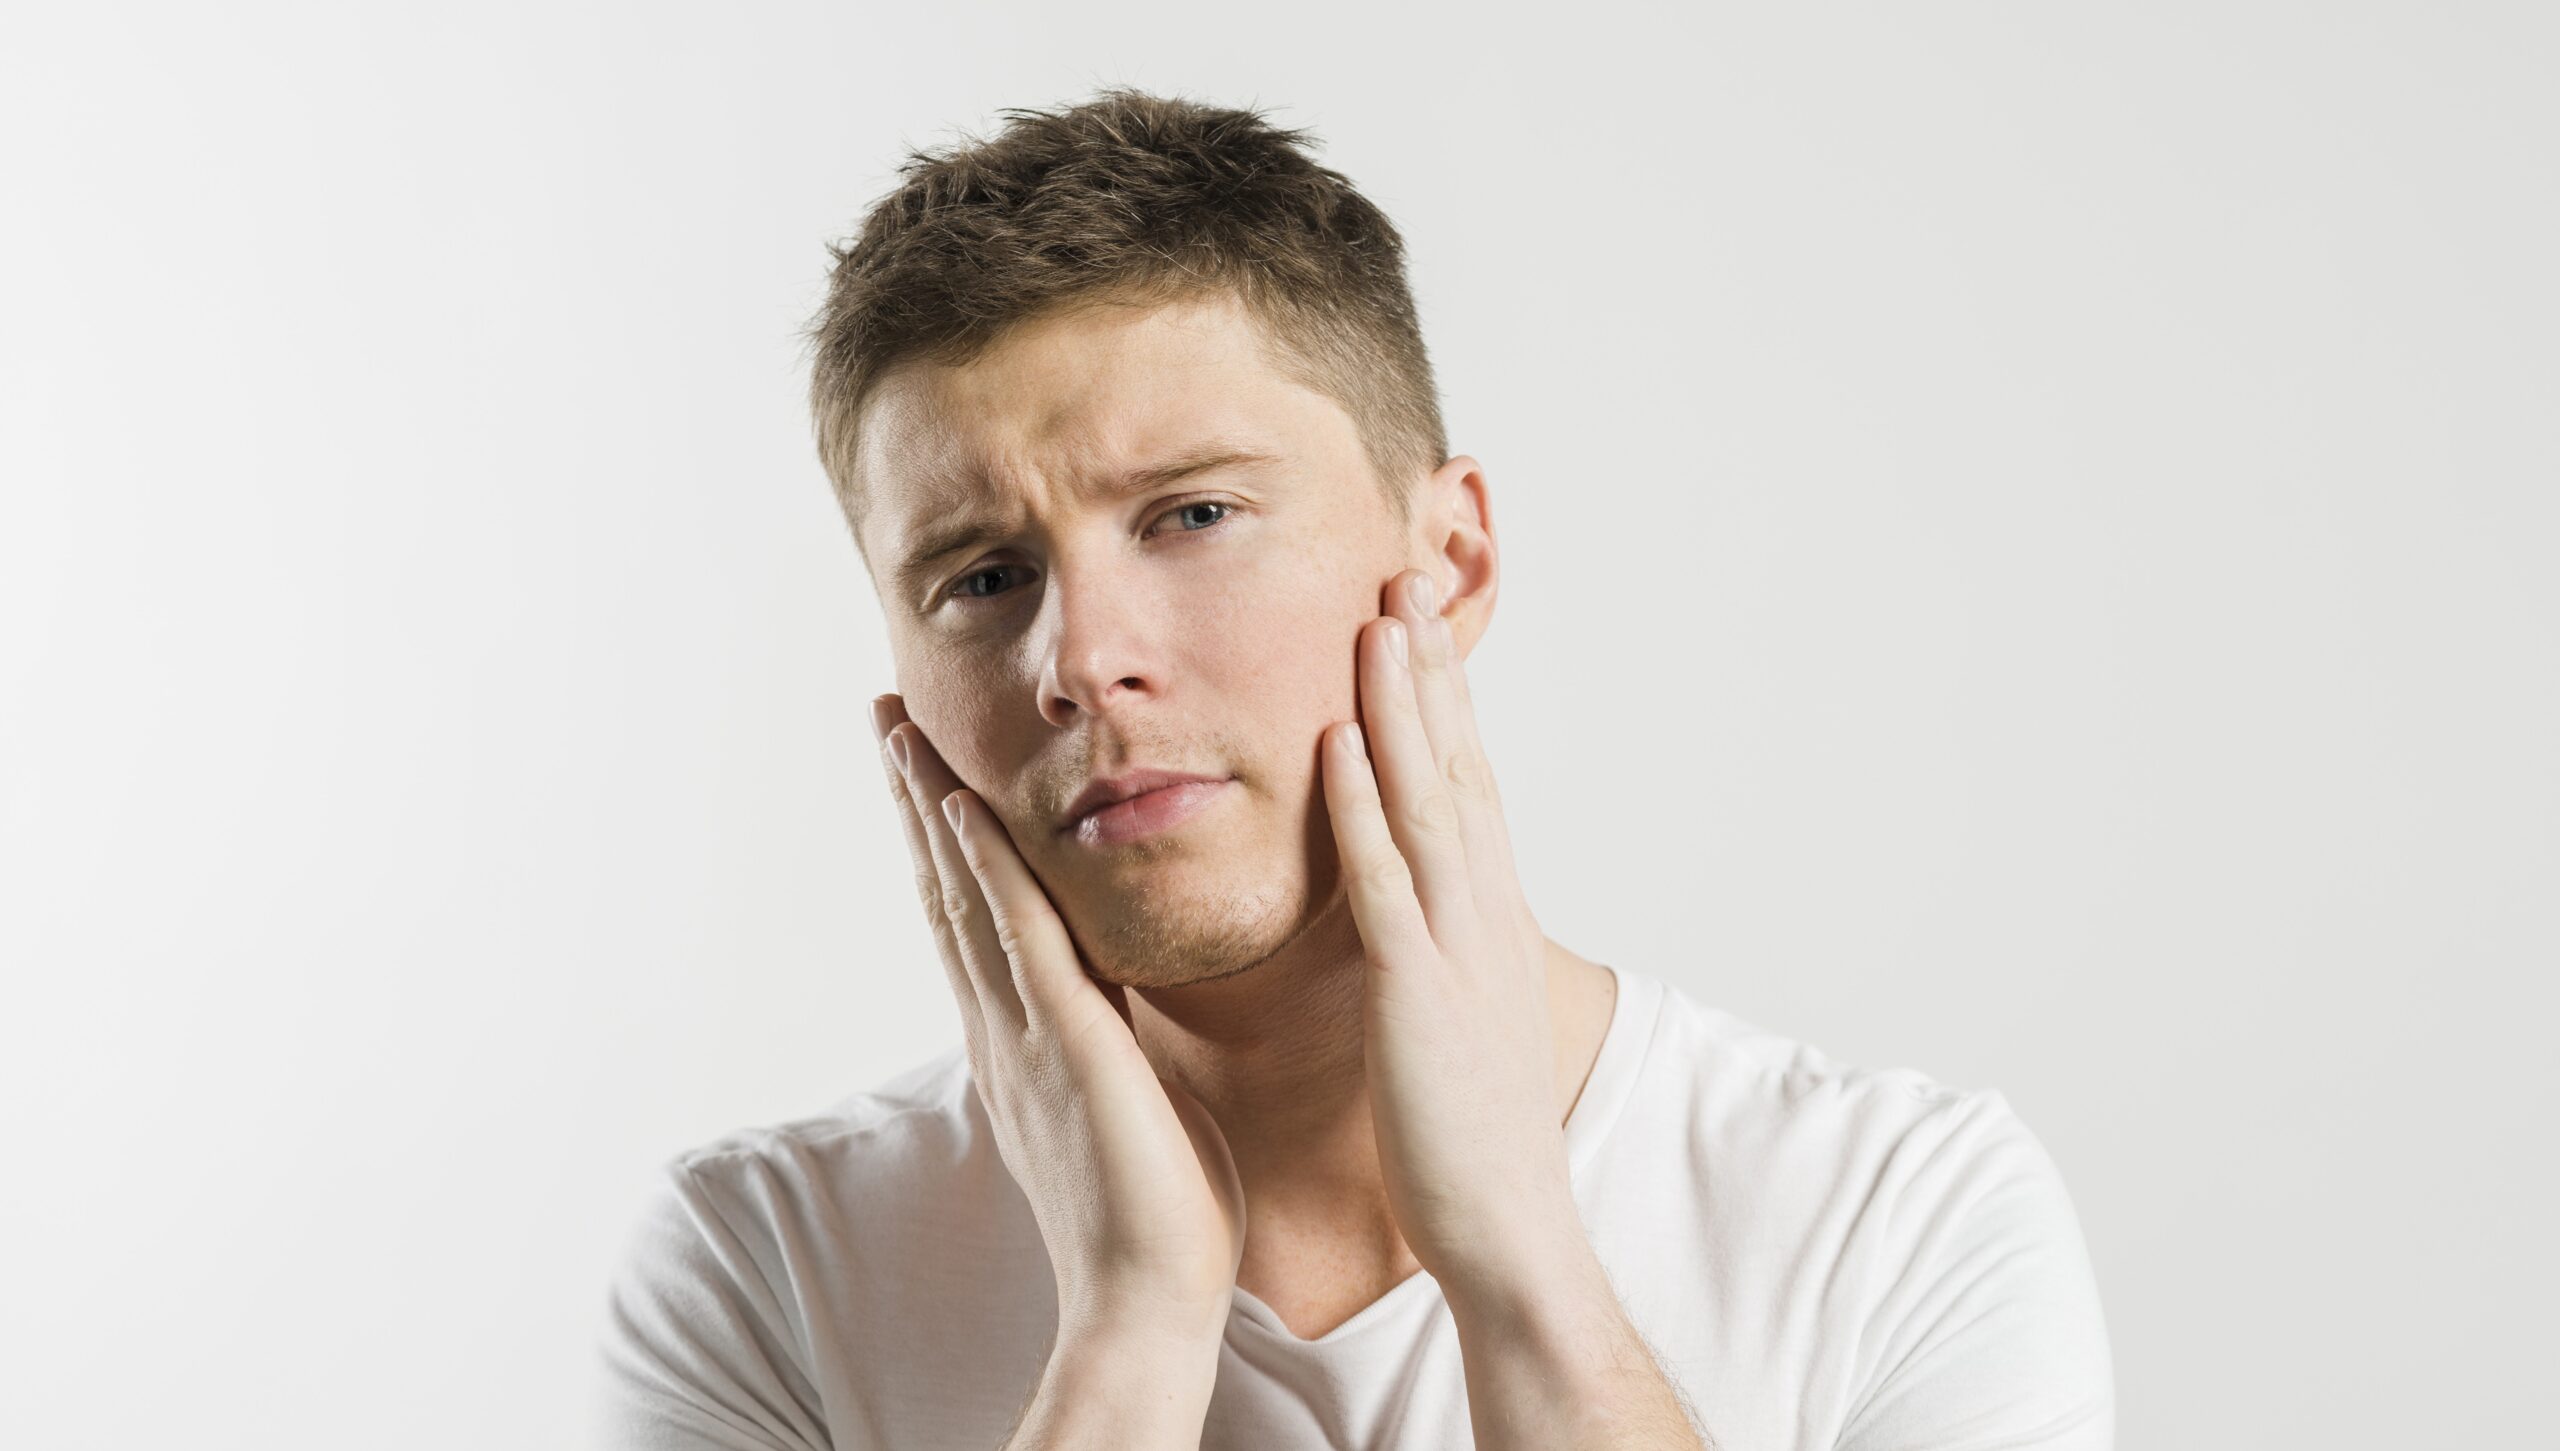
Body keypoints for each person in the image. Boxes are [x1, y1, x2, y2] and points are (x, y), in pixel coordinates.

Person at [591, 87, 2113, 1451]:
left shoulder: (1894, 1217)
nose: (1080, 659)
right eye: (982, 578)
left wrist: (1524, 1272)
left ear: (1446, 564)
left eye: (1190, 514)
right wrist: (1128, 1331)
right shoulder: (767, 1270)